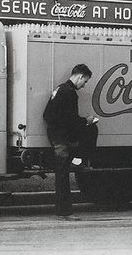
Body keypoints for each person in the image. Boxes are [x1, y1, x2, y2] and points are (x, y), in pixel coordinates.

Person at [43, 63, 99, 221]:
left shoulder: (59, 89)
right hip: (61, 137)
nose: (84, 85)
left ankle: (63, 211)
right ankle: (64, 212)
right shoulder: (70, 93)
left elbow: (47, 115)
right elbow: (72, 121)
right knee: (62, 175)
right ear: (80, 76)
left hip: (55, 134)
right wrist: (86, 121)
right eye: (85, 81)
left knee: (62, 173)